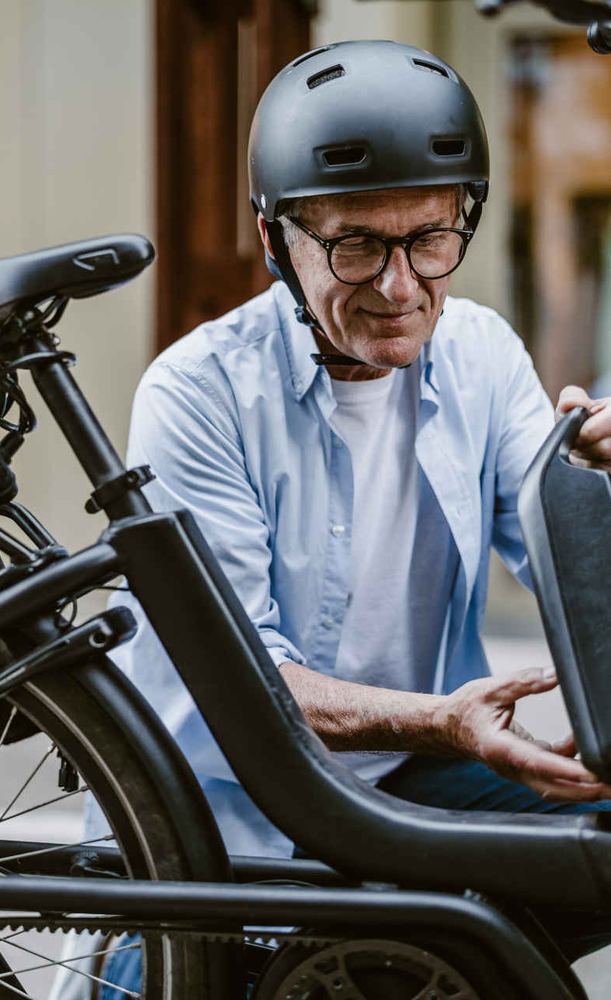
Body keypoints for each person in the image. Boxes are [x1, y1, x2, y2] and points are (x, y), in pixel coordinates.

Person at [81, 38, 611, 999]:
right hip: (222, 815)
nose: (400, 285)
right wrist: (446, 722)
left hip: (408, 786)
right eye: (356, 244)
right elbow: (246, 684)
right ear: (276, 237)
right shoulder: (196, 393)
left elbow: (573, 581)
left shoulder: (484, 351)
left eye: (429, 239)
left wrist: (603, 492)